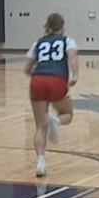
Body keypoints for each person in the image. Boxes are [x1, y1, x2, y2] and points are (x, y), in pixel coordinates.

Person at [24, 13, 79, 177]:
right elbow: (72, 57)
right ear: (62, 27)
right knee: (68, 114)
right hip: (57, 80)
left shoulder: (38, 42)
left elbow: (27, 69)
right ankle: (55, 120)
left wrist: (41, 74)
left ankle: (40, 162)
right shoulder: (67, 40)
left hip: (38, 80)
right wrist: (74, 75)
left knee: (40, 126)